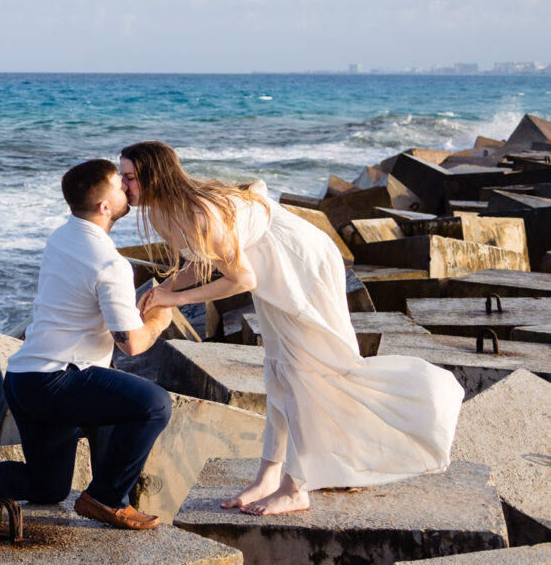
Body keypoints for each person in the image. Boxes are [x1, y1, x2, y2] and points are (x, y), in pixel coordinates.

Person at [121, 141, 463, 516]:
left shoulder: (199, 211)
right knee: (279, 371)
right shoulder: (162, 213)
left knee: (309, 370)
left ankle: (297, 486)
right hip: (273, 270)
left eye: (130, 177)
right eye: (123, 177)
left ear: (155, 176)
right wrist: (164, 288)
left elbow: (241, 279)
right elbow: (204, 259)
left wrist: (176, 299)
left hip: (301, 264)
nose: (124, 186)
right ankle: (269, 477)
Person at [0, 158, 176, 530]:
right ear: (104, 206)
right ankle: (107, 499)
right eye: (119, 184)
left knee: (48, 486)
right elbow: (132, 345)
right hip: (57, 381)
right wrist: (160, 318)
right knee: (154, 404)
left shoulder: (62, 237)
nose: (127, 188)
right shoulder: (110, 264)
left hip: (23, 379)